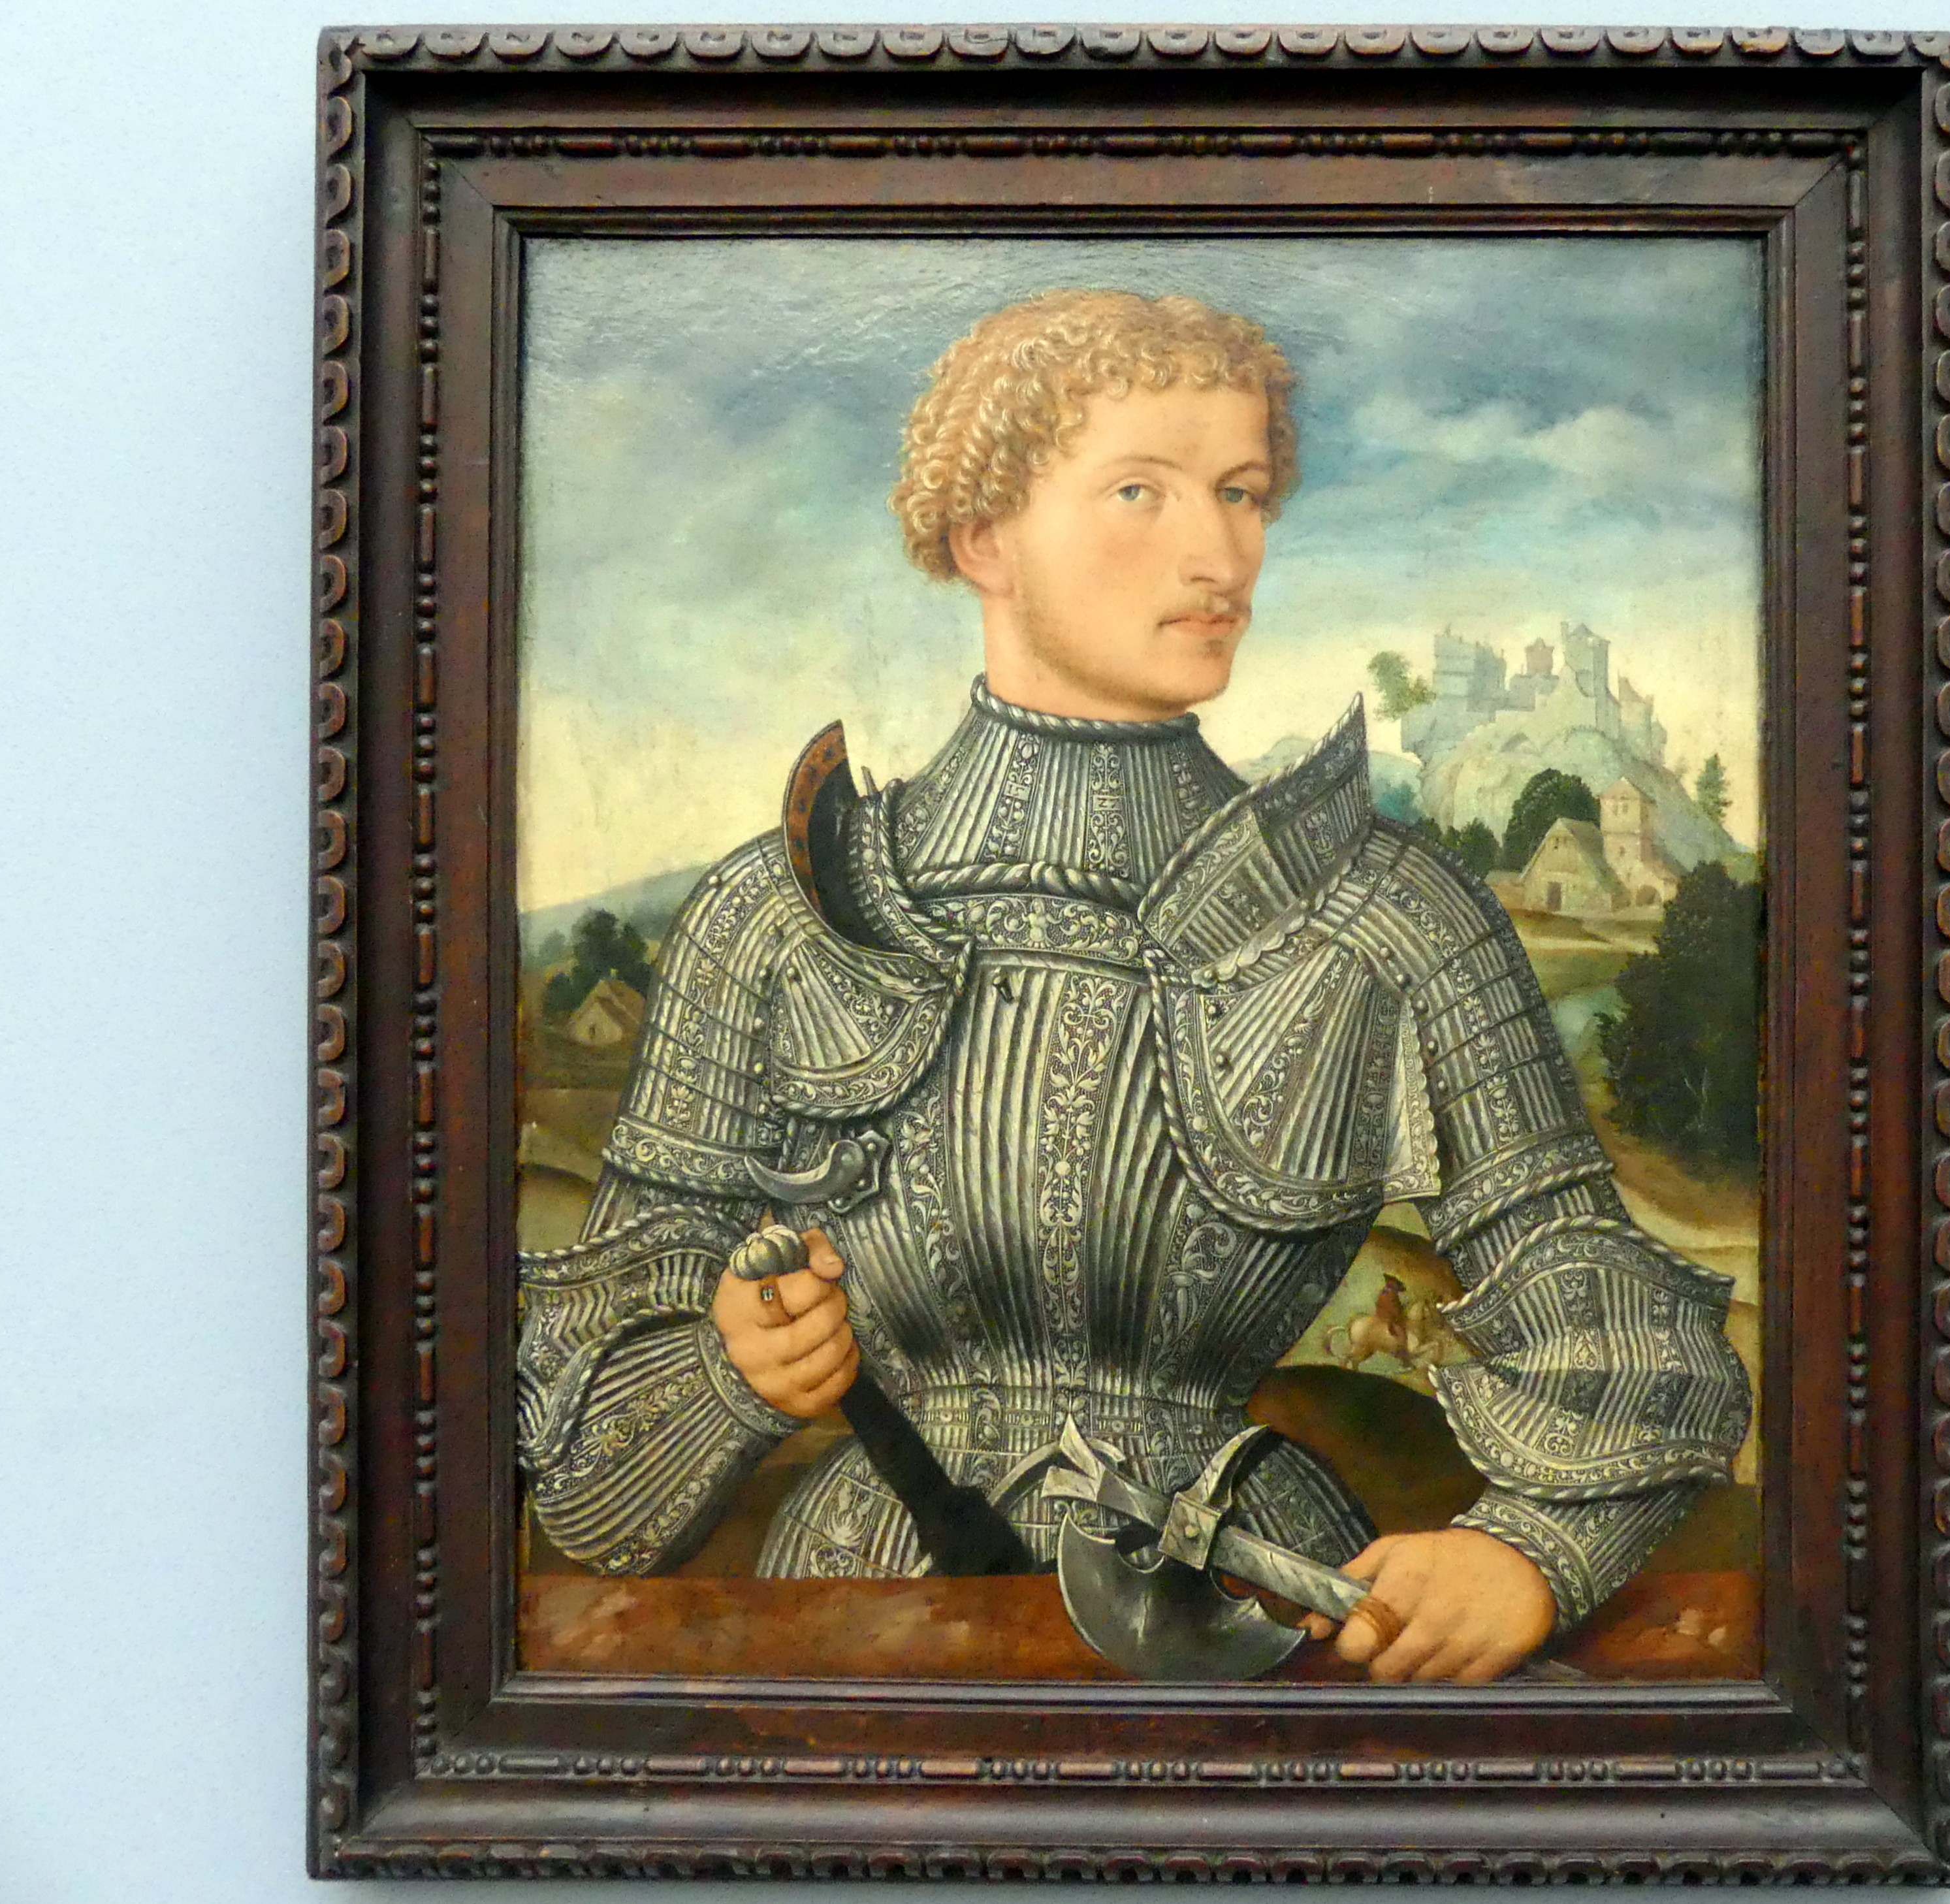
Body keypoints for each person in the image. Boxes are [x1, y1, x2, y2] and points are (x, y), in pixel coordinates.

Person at [516, 289, 1748, 1685]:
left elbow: (1602, 1308)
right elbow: (592, 1487)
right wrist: (732, 1370)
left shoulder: (1391, 911)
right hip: (868, 1639)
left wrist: (1532, 1550)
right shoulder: (775, 913)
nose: (1219, 554)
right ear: (985, 537)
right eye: (1139, 492)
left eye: (1241, 494)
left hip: (1260, 1634)